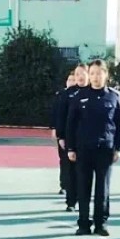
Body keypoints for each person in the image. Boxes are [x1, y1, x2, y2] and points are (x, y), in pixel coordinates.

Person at [65, 59, 120, 236]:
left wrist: (118, 147)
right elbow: (71, 124)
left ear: (106, 75)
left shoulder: (114, 96)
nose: (95, 77)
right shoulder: (79, 96)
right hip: (83, 150)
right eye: (92, 73)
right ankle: (83, 223)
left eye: (99, 73)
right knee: (83, 188)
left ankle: (101, 223)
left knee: (102, 189)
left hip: (105, 150)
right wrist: (71, 148)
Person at [55, 65, 88, 210]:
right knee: (70, 170)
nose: (80, 77)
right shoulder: (67, 94)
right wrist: (61, 136)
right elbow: (61, 116)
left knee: (85, 172)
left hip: (88, 139)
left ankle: (84, 201)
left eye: (83, 73)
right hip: (70, 138)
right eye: (77, 74)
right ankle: (71, 201)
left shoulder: (93, 92)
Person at [52, 72, 78, 200]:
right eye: (69, 79)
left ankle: (75, 187)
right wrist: (55, 129)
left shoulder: (80, 95)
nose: (71, 82)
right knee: (64, 159)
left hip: (76, 133)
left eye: (73, 79)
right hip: (63, 132)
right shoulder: (61, 95)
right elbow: (56, 114)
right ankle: (64, 184)